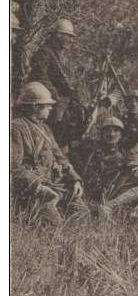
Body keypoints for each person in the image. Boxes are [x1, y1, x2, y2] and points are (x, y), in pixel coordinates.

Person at [11, 82, 89, 224]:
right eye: (47, 105)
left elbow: (60, 158)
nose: (51, 108)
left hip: (53, 185)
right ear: (36, 107)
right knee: (54, 225)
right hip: (33, 190)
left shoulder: (46, 129)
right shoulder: (16, 128)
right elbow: (13, 167)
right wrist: (38, 186)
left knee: (82, 215)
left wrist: (75, 179)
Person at [27, 18, 80, 146]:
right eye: (68, 36)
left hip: (54, 98)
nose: (71, 40)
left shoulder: (56, 54)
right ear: (58, 35)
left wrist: (72, 94)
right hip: (44, 99)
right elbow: (39, 76)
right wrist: (56, 96)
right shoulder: (44, 52)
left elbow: (61, 80)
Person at [78, 117, 126, 204]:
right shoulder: (92, 152)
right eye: (107, 131)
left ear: (121, 135)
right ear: (102, 134)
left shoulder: (123, 157)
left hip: (112, 198)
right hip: (89, 195)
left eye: (115, 131)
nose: (111, 134)